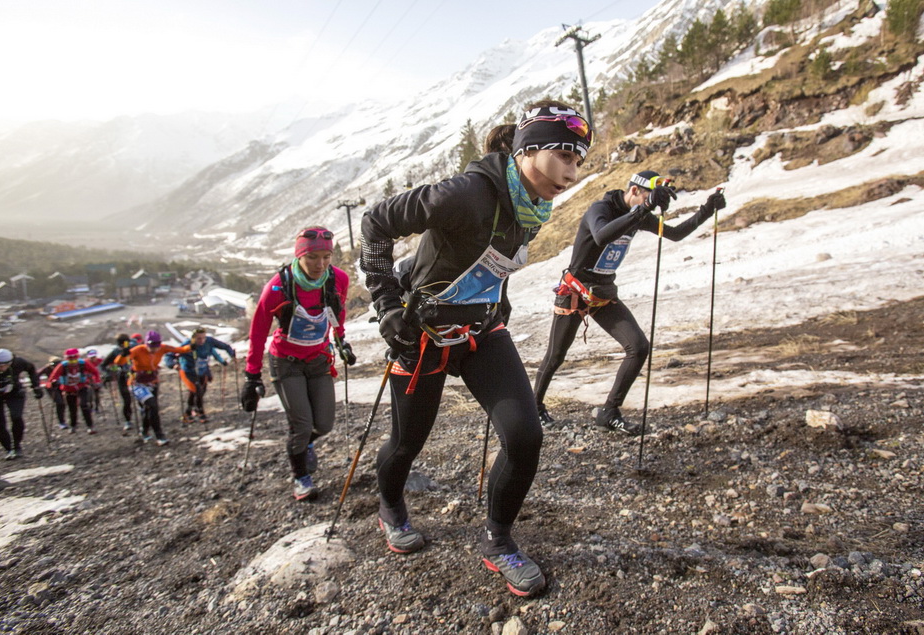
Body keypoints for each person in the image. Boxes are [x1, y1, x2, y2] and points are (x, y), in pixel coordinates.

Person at [357, 101, 591, 597]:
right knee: (407, 443)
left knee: (525, 436)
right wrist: (386, 306)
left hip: (481, 331)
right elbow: (376, 221)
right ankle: (391, 507)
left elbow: (493, 260)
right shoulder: (466, 194)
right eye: (564, 156)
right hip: (421, 334)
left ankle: (498, 541)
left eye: (578, 161)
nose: (571, 173)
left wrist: (498, 303)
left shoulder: (534, 204)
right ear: (527, 149)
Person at [533, 170, 726, 433]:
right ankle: (534, 408)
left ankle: (609, 412)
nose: (648, 204)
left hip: (602, 294)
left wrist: (707, 210)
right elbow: (601, 235)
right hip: (574, 292)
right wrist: (643, 209)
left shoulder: (639, 214)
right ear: (634, 191)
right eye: (647, 198)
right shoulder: (600, 209)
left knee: (638, 347)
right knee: (556, 356)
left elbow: (675, 233)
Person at [241, 227, 354, 501]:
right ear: (299, 256)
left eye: (326, 256)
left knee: (324, 424)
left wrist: (341, 341)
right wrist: (251, 376)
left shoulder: (338, 279)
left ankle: (305, 445)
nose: (320, 264)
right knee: (301, 425)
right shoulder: (278, 287)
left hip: (318, 359)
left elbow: (336, 312)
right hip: (286, 362)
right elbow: (258, 331)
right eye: (312, 257)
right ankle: (301, 477)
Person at [123, 330, 190, 446]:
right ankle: (159, 435)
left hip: (153, 382)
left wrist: (192, 345)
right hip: (137, 384)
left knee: (149, 408)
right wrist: (124, 354)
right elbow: (120, 361)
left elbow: (181, 350)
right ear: (146, 344)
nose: (154, 349)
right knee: (152, 405)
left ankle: (144, 431)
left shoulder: (162, 348)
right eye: (151, 347)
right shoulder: (138, 350)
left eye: (156, 347)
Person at [0, 349, 43, 459]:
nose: (0, 369)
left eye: (3, 366)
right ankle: (8, 449)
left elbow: (31, 369)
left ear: (10, 363)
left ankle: (17, 446)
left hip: (14, 393)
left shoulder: (19, 362)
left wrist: (36, 386)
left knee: (16, 417)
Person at [165, 327, 235, 424]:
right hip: (189, 371)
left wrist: (231, 354)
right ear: (194, 338)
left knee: (199, 392)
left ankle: (188, 413)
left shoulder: (209, 341)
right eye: (199, 338)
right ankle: (200, 412)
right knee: (197, 390)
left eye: (203, 338)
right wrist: (173, 364)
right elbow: (169, 355)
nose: (202, 341)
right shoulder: (187, 344)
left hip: (202, 370)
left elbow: (224, 346)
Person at [48, 348, 101, 434]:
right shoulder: (62, 366)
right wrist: (53, 383)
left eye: (74, 359)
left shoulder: (83, 363)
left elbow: (95, 372)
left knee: (84, 405)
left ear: (77, 357)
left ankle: (90, 426)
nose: (73, 362)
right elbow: (52, 377)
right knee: (72, 408)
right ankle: (73, 426)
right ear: (67, 359)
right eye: (70, 359)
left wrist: (97, 382)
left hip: (82, 387)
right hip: (68, 389)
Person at [100, 333, 137, 433]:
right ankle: (128, 421)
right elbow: (103, 365)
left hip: (135, 375)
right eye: (120, 344)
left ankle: (145, 417)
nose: (122, 346)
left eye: (124, 344)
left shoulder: (135, 348)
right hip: (123, 377)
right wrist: (108, 373)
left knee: (140, 399)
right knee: (126, 400)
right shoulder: (116, 351)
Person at [38, 356, 67, 430]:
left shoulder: (63, 367)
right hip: (51, 388)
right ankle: (61, 422)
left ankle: (62, 420)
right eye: (54, 365)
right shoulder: (46, 368)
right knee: (59, 403)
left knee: (63, 404)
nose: (55, 367)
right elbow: (36, 375)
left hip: (61, 386)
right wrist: (42, 384)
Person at [85, 349, 103, 413]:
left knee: (96, 394)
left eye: (94, 357)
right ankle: (90, 406)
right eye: (91, 357)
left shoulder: (99, 361)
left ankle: (97, 407)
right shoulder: (85, 362)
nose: (93, 358)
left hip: (97, 380)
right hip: (89, 380)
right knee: (89, 394)